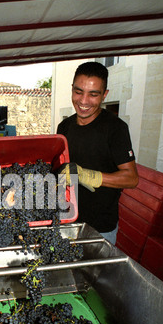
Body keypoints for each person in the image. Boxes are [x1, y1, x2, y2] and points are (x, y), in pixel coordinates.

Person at [57, 61, 138, 244]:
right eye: (78, 92)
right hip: (67, 221)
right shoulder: (64, 127)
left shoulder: (115, 128)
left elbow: (132, 178)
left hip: (100, 229)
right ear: (72, 89)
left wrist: (90, 176)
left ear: (104, 95)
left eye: (93, 94)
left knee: (95, 274)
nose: (83, 101)